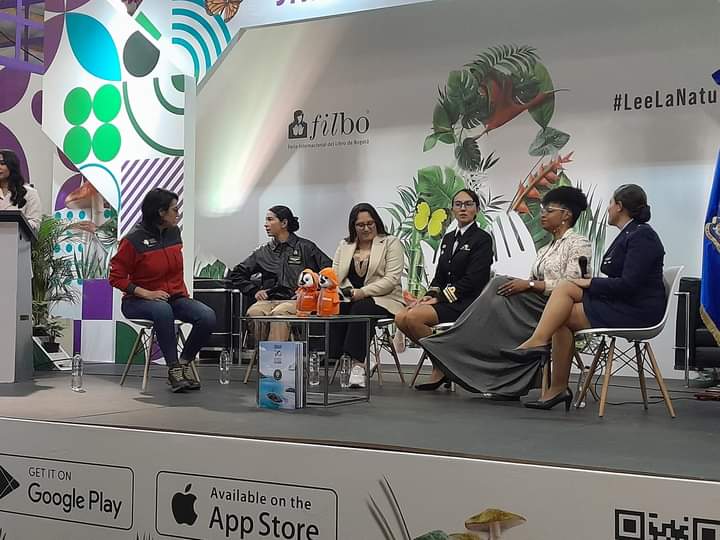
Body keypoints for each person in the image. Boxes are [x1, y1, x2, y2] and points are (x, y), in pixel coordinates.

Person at [501, 184, 665, 410]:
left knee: (565, 309)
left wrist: (590, 282)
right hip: (622, 302)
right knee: (565, 295)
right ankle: (553, 379)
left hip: (638, 310)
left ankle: (544, 357)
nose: (607, 209)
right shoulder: (629, 234)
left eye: (610, 203)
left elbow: (630, 285)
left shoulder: (642, 236)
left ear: (619, 207)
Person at [419, 186, 592, 397]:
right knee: (499, 291)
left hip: (557, 309)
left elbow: (574, 283)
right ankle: (496, 377)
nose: (542, 214)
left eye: (548, 210)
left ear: (566, 215)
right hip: (537, 304)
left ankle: (458, 342)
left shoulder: (578, 243)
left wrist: (528, 286)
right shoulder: (545, 250)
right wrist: (525, 285)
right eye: (543, 209)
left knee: (498, 286)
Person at [109, 188, 216, 392]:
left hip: (173, 297)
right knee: (162, 310)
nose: (178, 213)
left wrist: (177, 294)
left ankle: (183, 364)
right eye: (174, 210)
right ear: (161, 212)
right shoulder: (133, 239)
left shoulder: (174, 232)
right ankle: (173, 369)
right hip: (137, 301)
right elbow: (116, 278)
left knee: (207, 316)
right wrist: (146, 293)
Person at [395, 188, 494, 390]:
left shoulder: (482, 239)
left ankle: (443, 367)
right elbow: (440, 277)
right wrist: (427, 296)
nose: (463, 208)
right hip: (446, 301)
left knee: (414, 318)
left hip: (467, 302)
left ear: (476, 209)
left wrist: (439, 299)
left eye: (468, 204)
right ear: (452, 210)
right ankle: (444, 364)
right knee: (401, 318)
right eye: (458, 204)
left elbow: (474, 280)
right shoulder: (449, 239)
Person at [329, 203, 405, 388]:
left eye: (370, 223)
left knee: (362, 307)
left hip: (385, 299)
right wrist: (347, 292)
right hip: (351, 297)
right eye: (360, 225)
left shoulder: (391, 242)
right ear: (353, 226)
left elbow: (391, 279)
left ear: (377, 222)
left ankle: (357, 365)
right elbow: (335, 275)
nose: (366, 228)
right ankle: (339, 357)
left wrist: (362, 292)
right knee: (334, 307)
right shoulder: (344, 245)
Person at [229, 205, 331, 341]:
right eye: (266, 220)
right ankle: (263, 356)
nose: (266, 224)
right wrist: (254, 290)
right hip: (269, 300)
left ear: (284, 223)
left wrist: (310, 292)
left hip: (297, 301)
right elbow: (237, 273)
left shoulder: (306, 248)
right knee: (254, 313)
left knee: (279, 314)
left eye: (270, 220)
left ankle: (274, 360)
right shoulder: (263, 252)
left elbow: (329, 271)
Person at [0, 149, 41, 230]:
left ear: (12, 166)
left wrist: (17, 225)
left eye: (2, 163)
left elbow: (35, 223)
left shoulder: (29, 193)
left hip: (15, 240)